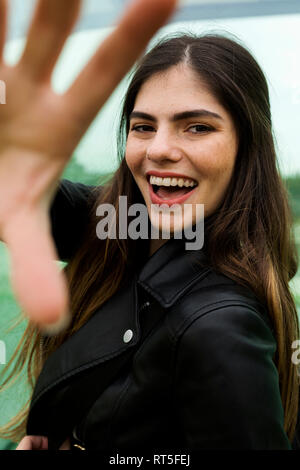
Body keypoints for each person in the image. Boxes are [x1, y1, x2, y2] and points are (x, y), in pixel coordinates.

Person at [0, 0, 299, 451]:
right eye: (142, 127)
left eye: (196, 127)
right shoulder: (124, 226)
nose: (158, 149)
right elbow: (23, 198)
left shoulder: (219, 328)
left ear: (246, 147)